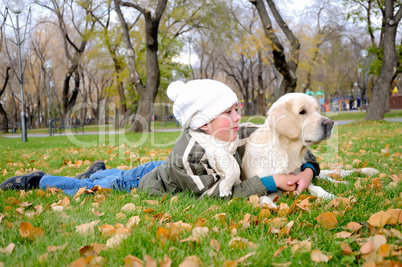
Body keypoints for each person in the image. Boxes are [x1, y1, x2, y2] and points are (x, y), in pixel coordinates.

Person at [0, 79, 319, 198]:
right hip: (155, 182)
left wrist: (306, 171)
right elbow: (217, 196)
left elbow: (290, 146)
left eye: (237, 109)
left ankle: (96, 170)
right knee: (102, 187)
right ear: (204, 124)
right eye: (230, 112)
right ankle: (39, 181)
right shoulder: (190, 156)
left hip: (157, 168)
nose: (239, 117)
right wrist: (271, 181)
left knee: (121, 173)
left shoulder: (242, 132)